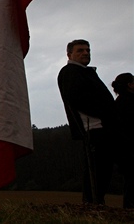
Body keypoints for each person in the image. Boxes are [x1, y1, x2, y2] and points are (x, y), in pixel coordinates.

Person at [57, 39, 115, 205]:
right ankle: (92, 204)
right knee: (97, 170)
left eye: (88, 50)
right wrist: (106, 114)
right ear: (69, 54)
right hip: (94, 128)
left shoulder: (84, 72)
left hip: (103, 127)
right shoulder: (70, 72)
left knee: (104, 169)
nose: (85, 53)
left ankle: (96, 203)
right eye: (80, 50)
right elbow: (78, 99)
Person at [111, 72, 134, 208]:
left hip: (124, 150)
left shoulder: (119, 103)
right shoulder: (129, 103)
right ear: (130, 85)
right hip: (129, 149)